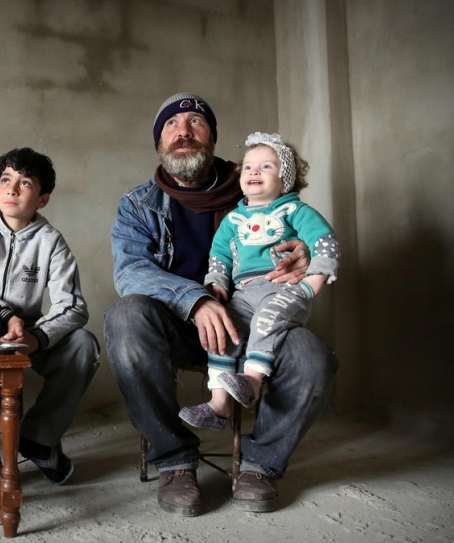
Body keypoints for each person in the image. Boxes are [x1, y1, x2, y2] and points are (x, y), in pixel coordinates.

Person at [104, 93, 338, 515]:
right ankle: (174, 461)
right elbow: (130, 273)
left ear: (212, 136)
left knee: (313, 357)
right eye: (172, 126)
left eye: (196, 122)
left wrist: (302, 251)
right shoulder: (138, 205)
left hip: (249, 321)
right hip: (178, 324)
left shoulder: (254, 183)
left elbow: (299, 223)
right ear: (159, 141)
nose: (183, 132)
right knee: (125, 317)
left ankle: (260, 466)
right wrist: (195, 299)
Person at [0, 147, 99, 486]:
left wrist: (36, 337)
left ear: (42, 199)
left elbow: (72, 306)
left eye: (24, 183)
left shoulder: (51, 241)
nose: (11, 190)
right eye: (5, 180)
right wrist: (5, 314)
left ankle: (38, 439)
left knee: (83, 344)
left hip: (24, 331)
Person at [178, 132, 340, 430]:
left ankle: (252, 382)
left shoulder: (295, 210)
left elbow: (324, 241)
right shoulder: (233, 220)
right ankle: (219, 403)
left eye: (266, 166)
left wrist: (312, 283)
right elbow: (219, 255)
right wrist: (217, 283)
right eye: (249, 166)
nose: (254, 171)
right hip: (244, 292)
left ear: (285, 179)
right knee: (223, 328)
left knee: (268, 319)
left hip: (283, 289)